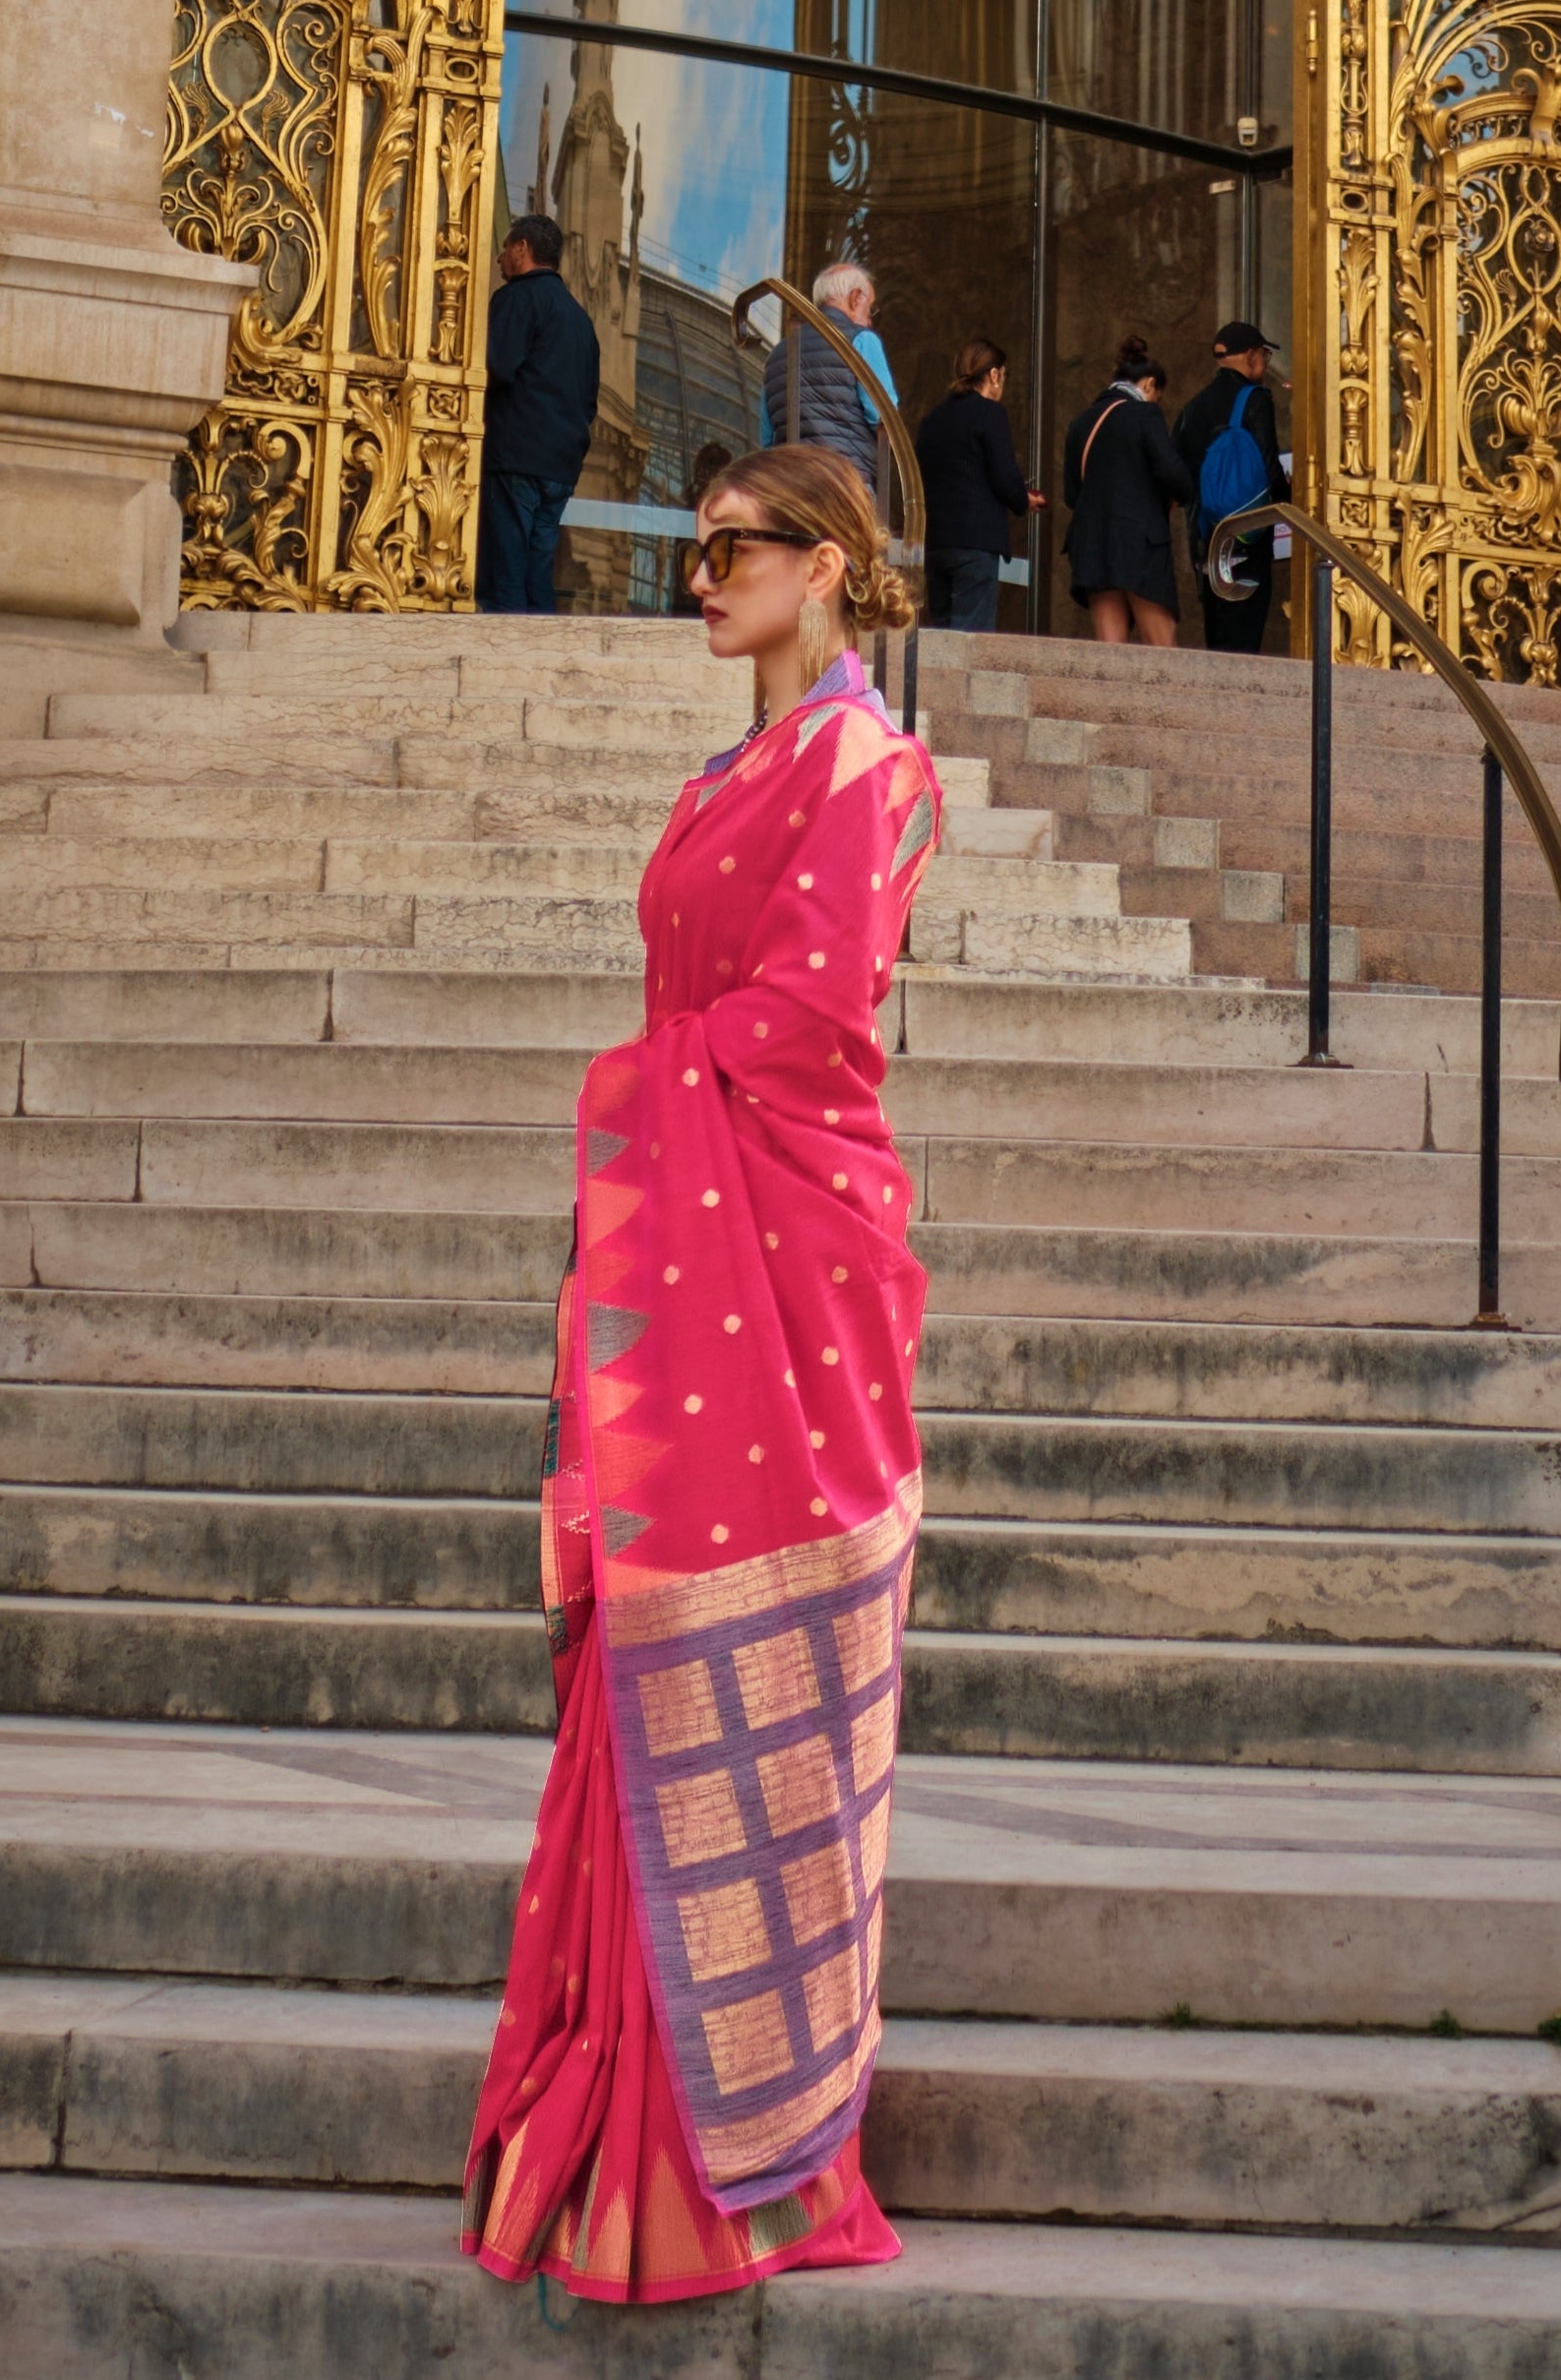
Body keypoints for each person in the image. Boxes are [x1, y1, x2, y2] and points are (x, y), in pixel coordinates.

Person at [460, 444, 941, 2305]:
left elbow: (817, 1023)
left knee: (763, 1696)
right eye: (698, 547)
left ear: (824, 566)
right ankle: (619, 2128)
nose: (699, 574)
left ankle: (741, 2152)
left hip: (790, 1267)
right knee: (640, 1676)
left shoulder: (862, 763)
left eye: (731, 549)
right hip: (690, 1250)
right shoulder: (732, 768)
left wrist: (622, 1097)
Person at [478, 214, 600, 614]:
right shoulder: (581, 322)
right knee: (537, 578)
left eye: (505, 248)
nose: (499, 259)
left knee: (506, 578)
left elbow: (496, 366)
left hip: (516, 460)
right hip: (560, 469)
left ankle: (508, 669)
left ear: (522, 248)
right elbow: (589, 404)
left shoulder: (517, 298)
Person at [1062, 333, 1194, 646]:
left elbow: (1071, 494)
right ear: (1148, 384)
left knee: (1111, 650)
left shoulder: (1081, 422)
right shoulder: (1144, 413)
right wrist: (1184, 493)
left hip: (1093, 542)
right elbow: (1172, 472)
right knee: (1161, 646)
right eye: (1158, 396)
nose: (1156, 402)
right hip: (1139, 544)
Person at [913, 337, 1043, 635]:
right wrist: (1023, 501)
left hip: (936, 540)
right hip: (975, 541)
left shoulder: (933, 419)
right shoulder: (990, 413)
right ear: (994, 375)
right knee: (970, 639)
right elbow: (1004, 475)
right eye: (1004, 375)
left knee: (941, 638)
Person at [1175, 319, 1288, 655]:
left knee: (1219, 636)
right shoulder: (1255, 400)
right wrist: (1290, 498)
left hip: (1208, 540)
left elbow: (1177, 472)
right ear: (1251, 355)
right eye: (1265, 357)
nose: (1265, 365)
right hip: (1247, 536)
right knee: (1246, 632)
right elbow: (1268, 467)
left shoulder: (1192, 408)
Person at [763, 258, 895, 477]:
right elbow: (884, 416)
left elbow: (767, 439)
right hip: (845, 482)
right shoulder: (862, 340)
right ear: (855, 298)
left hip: (790, 487)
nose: (870, 321)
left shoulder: (777, 355)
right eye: (870, 309)